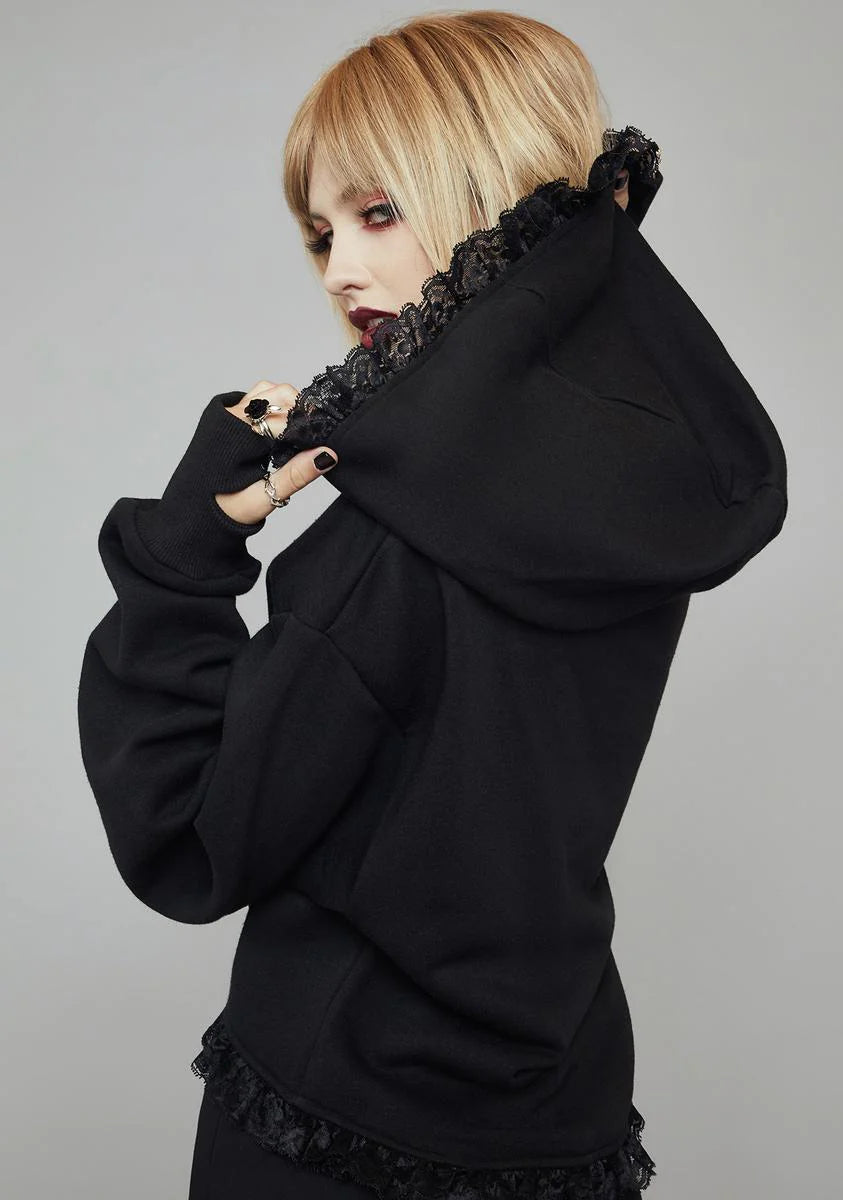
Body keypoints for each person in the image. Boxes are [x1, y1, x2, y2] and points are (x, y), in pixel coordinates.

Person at [75, 10, 788, 1200]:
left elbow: (190, 838)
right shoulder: (636, 484)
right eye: (320, 235)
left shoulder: (389, 548)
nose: (339, 271)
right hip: (558, 1103)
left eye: (377, 212)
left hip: (340, 1109)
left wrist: (181, 554)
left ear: (494, 194)